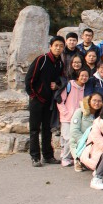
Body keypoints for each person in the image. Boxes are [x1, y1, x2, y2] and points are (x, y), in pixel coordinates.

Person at [25, 36, 65, 167]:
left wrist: (57, 85)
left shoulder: (60, 63)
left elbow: (59, 80)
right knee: (34, 129)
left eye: (61, 46)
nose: (58, 48)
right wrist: (34, 95)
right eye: (56, 45)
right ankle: (35, 157)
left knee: (47, 129)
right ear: (50, 46)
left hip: (49, 101)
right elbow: (29, 79)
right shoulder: (42, 59)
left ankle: (48, 155)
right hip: (37, 100)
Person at [57, 69, 89, 166]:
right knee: (68, 138)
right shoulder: (69, 85)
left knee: (70, 137)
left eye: (86, 76)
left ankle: (66, 155)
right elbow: (60, 101)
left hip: (77, 118)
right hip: (67, 117)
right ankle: (65, 158)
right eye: (82, 75)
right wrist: (65, 113)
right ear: (78, 76)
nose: (84, 78)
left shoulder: (85, 88)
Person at [69, 93, 103, 172]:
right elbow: (74, 131)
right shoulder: (80, 112)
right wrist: (86, 142)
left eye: (99, 101)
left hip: (95, 143)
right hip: (80, 142)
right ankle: (78, 160)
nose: (97, 103)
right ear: (89, 101)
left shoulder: (102, 115)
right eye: (94, 100)